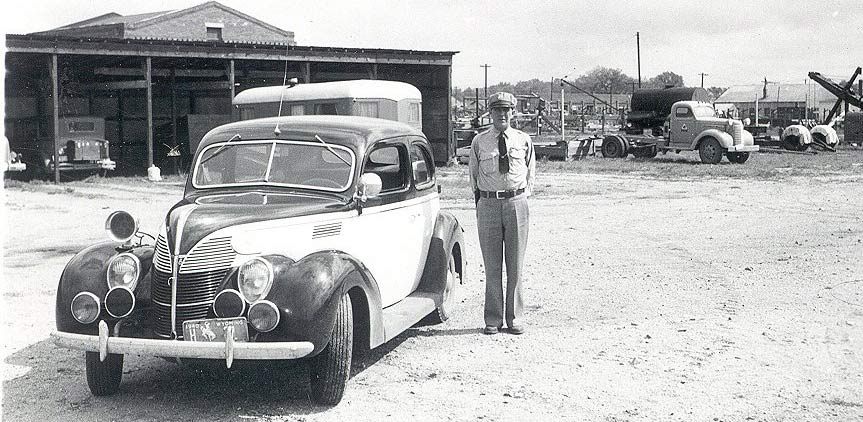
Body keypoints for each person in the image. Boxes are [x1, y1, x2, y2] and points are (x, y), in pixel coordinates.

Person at [468, 92, 535, 335]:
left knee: (515, 265)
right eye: (497, 111)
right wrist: (482, 203)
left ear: (513, 113)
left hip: (516, 203)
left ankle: (515, 318)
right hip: (488, 205)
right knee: (492, 265)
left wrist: (521, 198)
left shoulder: (523, 140)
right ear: (491, 113)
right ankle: (493, 319)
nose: (502, 115)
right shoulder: (479, 142)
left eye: (507, 111)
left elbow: (530, 173)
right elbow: (473, 176)